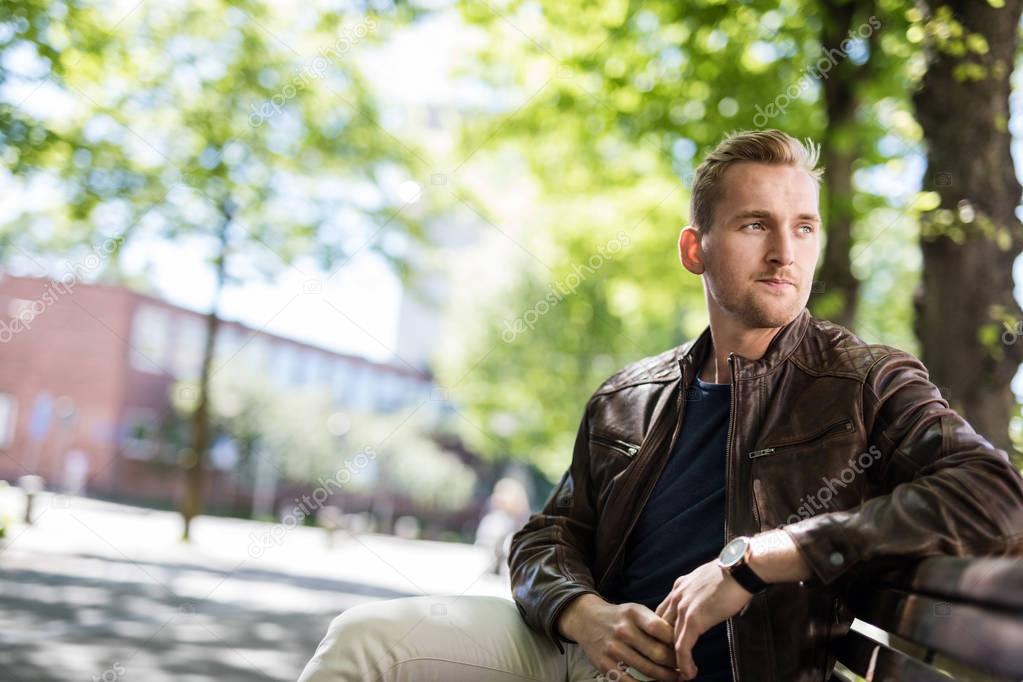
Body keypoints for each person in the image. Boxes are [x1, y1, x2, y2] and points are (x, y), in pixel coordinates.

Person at [297, 129, 1023, 682]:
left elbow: (993, 495)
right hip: (591, 654)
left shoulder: (867, 379)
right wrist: (587, 617)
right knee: (365, 639)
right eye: (753, 224)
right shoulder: (627, 398)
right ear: (693, 249)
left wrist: (756, 560)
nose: (784, 252)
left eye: (803, 226)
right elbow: (544, 539)